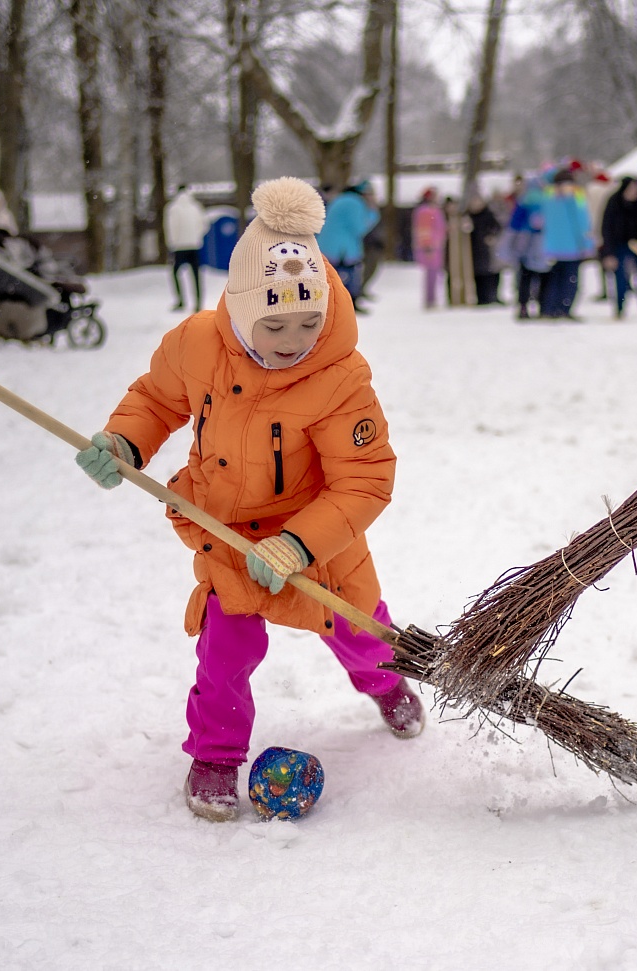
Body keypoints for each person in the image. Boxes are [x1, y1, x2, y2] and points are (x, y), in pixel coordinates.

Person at [72, 177, 424, 822]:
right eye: (275, 323)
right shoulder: (197, 345)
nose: (294, 340)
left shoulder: (339, 376)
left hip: (317, 537)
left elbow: (365, 479)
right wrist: (125, 443)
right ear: (238, 310)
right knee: (224, 653)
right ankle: (215, 754)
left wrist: (299, 543)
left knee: (359, 632)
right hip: (227, 530)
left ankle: (388, 682)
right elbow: (157, 399)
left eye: (308, 322)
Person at [537, 169, 594, 319]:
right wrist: (587, 244)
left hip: (552, 249)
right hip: (572, 248)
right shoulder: (576, 197)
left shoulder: (547, 196)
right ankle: (564, 309)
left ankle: (550, 309)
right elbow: (582, 223)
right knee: (570, 281)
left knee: (554, 281)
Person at [317, 180, 380, 312]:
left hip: (327, 244)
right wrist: (373, 212)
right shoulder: (355, 202)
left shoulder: (342, 199)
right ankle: (349, 303)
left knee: (331, 276)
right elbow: (360, 228)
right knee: (349, 274)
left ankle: (333, 303)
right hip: (342, 247)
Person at [599, 176, 637, 319]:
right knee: (620, 278)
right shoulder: (613, 202)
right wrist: (608, 253)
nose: (634, 192)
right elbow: (607, 228)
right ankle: (619, 308)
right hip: (619, 245)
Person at [502, 175, 550, 320]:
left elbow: (514, 223)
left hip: (524, 245)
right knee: (543, 277)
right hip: (542, 245)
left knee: (524, 278)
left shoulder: (524, 200)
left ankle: (523, 307)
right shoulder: (547, 200)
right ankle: (542, 306)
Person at [164, 183, 208, 313]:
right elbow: (204, 224)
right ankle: (198, 303)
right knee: (196, 275)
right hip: (194, 245)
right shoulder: (196, 207)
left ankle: (181, 300)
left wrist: (172, 243)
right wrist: (197, 237)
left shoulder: (173, 208)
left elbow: (171, 227)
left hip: (178, 247)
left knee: (175, 273)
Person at [410, 188, 447, 310]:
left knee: (435, 274)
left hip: (436, 246)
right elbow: (423, 229)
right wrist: (427, 246)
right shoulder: (425, 211)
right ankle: (430, 300)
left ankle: (432, 299)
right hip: (430, 247)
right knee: (431, 274)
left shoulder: (434, 210)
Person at [466, 193, 503, 306]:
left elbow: (496, 227)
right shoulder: (468, 217)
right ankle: (481, 298)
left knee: (489, 274)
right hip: (473, 250)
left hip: (487, 250)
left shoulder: (488, 215)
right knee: (478, 276)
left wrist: (491, 235)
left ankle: (491, 296)